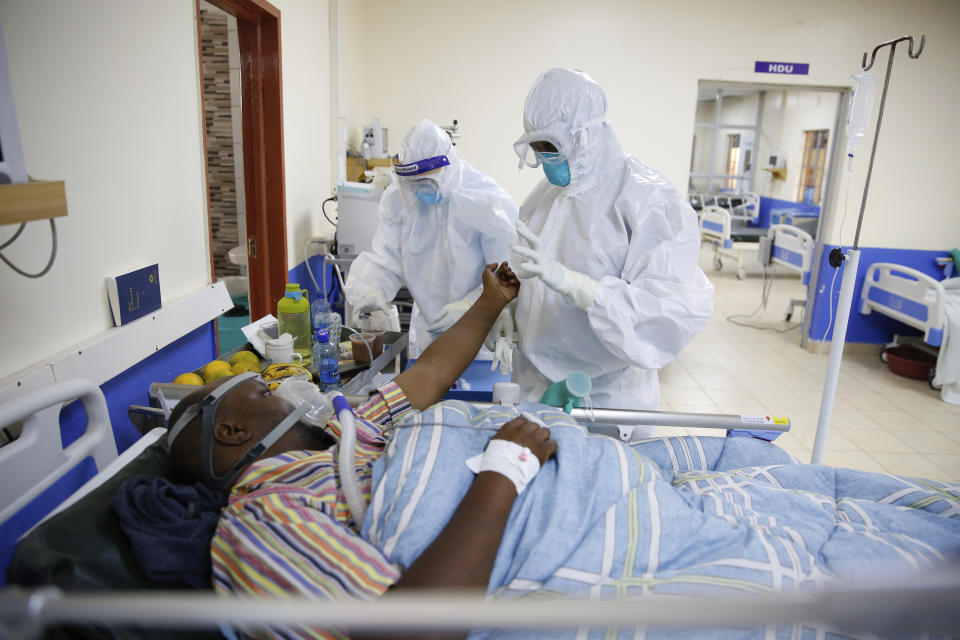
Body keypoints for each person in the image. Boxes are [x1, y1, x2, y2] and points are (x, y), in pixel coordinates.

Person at [167, 262, 552, 640]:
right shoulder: (260, 521)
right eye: (267, 391)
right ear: (232, 431)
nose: (287, 391)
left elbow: (430, 373)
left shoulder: (341, 437)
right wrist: (505, 468)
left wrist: (491, 301)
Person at [491, 68, 714, 438]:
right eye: (537, 148)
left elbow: (670, 310)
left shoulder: (648, 200)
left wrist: (581, 287)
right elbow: (528, 275)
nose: (545, 158)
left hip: (608, 396)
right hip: (536, 386)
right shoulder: (542, 200)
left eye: (551, 146)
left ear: (585, 135)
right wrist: (509, 315)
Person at [344, 118, 518, 358]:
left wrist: (470, 305)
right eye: (412, 182)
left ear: (448, 166)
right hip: (428, 331)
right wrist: (371, 289)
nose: (418, 189)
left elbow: (506, 274)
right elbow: (386, 258)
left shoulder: (487, 201)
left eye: (426, 181)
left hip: (480, 333)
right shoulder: (401, 199)